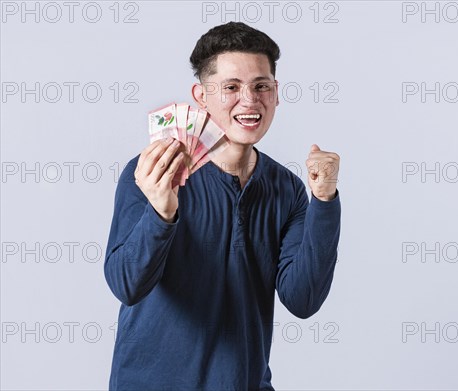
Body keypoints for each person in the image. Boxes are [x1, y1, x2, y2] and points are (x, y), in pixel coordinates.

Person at [104, 21, 341, 390]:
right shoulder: (150, 172)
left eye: (261, 86)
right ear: (201, 96)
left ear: (276, 93)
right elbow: (126, 285)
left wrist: (324, 202)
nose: (249, 101)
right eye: (231, 87)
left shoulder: (288, 189)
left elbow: (303, 299)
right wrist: (161, 213)